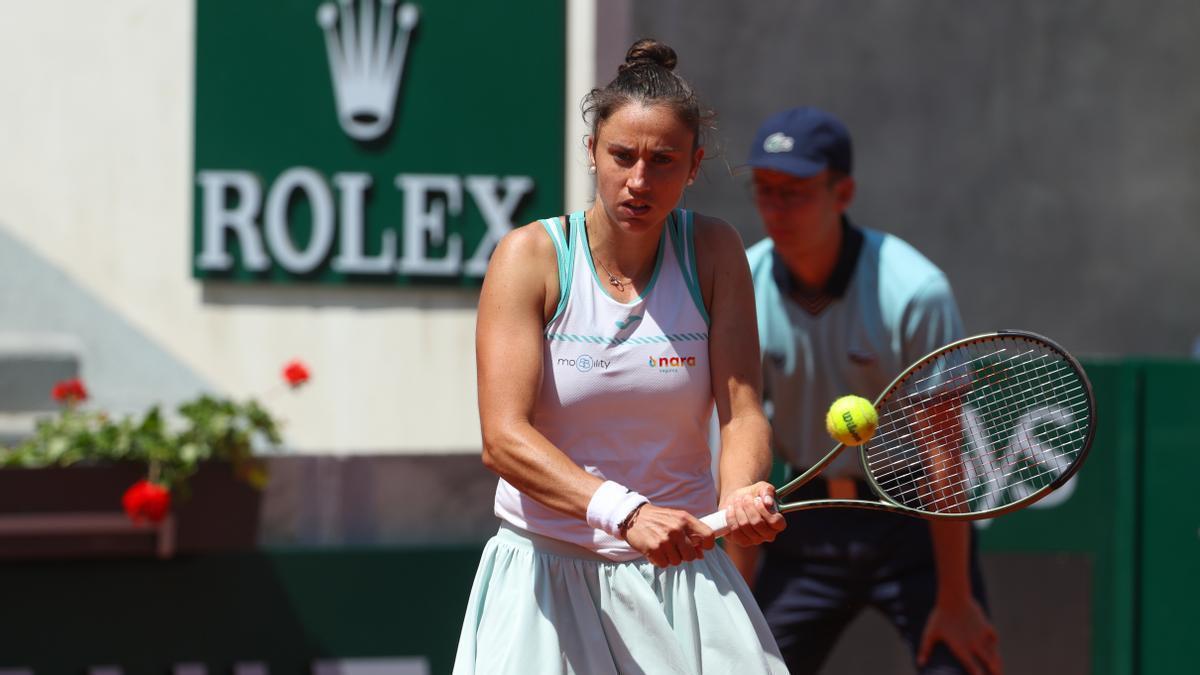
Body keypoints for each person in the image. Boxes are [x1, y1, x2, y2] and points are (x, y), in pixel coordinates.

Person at [453, 39, 787, 674]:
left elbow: (742, 410)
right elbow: (502, 437)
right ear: (591, 153)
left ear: (692, 168)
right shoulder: (529, 257)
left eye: (663, 161)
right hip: (543, 575)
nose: (639, 180)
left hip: (681, 574)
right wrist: (627, 512)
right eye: (622, 156)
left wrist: (740, 493)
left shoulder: (716, 252)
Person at [729, 106, 1003, 675]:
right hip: (803, 521)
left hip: (911, 524)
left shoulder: (914, 291)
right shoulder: (743, 285)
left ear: (843, 192)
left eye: (796, 191)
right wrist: (739, 595)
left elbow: (943, 454)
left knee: (964, 662)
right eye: (765, 191)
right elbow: (743, 436)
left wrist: (955, 599)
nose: (776, 209)